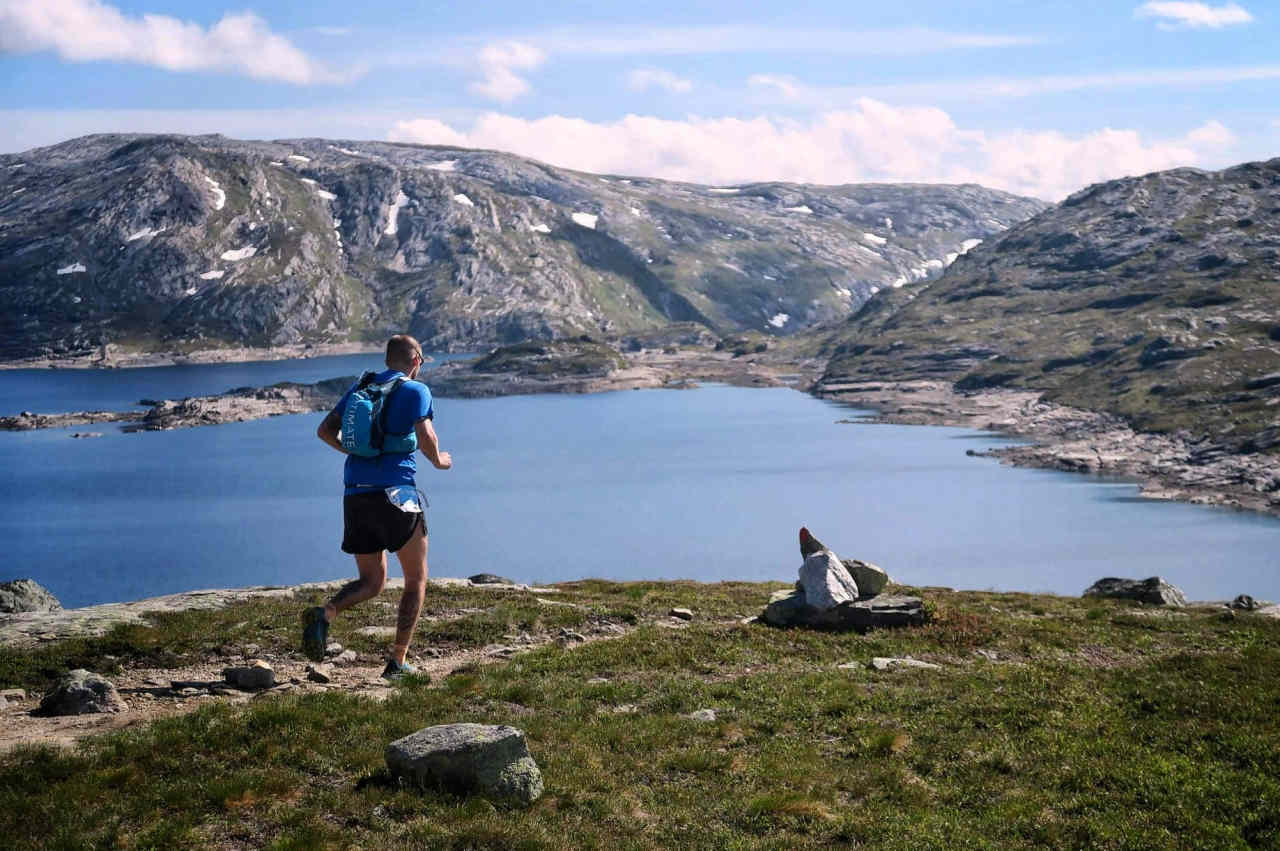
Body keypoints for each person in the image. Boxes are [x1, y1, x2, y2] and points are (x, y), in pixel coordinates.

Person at [303, 334, 452, 679]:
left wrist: (360, 453)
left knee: (372, 581)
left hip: (356, 495)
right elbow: (426, 435)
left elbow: (325, 431)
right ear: (416, 360)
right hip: (396, 496)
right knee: (415, 579)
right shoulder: (416, 391)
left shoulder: (361, 388)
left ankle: (326, 613)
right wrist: (440, 462)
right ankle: (397, 663)